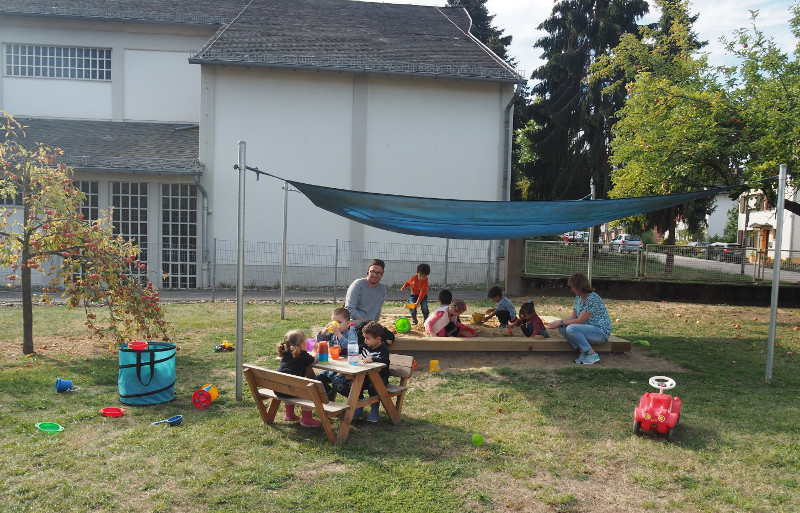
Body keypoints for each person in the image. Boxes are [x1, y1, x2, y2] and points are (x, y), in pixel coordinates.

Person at [547, 273, 611, 365]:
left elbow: (580, 321)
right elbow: (573, 318)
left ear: (579, 286)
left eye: (573, 287)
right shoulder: (578, 298)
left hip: (600, 332)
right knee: (562, 327)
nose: (571, 289)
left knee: (571, 328)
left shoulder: (593, 298)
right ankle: (583, 351)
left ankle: (591, 354)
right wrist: (558, 323)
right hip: (587, 329)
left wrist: (560, 322)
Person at [335, 321, 390, 423]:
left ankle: (374, 410)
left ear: (378, 338)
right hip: (365, 376)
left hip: (380, 377)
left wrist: (373, 359)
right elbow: (353, 349)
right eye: (364, 338)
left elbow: (385, 359)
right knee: (357, 386)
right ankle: (358, 408)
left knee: (373, 387)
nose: (365, 340)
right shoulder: (365, 346)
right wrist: (341, 350)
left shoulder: (383, 349)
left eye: (368, 338)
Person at [276, 329, 321, 427]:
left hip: (279, 388)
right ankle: (306, 419)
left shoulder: (285, 353)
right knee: (310, 391)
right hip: (292, 389)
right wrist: (314, 350)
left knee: (289, 384)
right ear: (302, 345)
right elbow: (314, 360)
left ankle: (289, 414)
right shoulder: (302, 355)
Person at [315, 307, 357, 400]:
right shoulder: (332, 333)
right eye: (333, 322)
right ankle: (329, 392)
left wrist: (339, 334)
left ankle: (355, 399)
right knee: (316, 380)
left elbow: (350, 347)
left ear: (348, 323)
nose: (335, 325)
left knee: (337, 383)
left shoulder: (351, 334)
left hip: (344, 369)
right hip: (332, 367)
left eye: (339, 322)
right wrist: (324, 331)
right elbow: (320, 340)